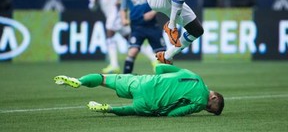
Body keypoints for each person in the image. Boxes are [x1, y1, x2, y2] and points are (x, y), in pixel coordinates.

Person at [54, 63, 224, 117]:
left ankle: (79, 81)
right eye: (209, 107)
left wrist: (161, 82)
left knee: (104, 79)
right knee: (136, 110)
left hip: (143, 82)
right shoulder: (200, 102)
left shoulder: (192, 74)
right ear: (213, 97)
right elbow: (174, 114)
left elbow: (159, 68)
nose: (205, 108)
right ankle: (109, 109)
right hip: (151, 103)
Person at [120, 0, 166, 73]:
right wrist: (123, 19)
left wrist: (153, 12)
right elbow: (123, 8)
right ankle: (125, 81)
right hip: (136, 26)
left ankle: (168, 81)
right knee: (132, 52)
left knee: (163, 56)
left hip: (152, 25)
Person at [89, 0, 130, 74]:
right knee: (131, 39)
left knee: (109, 34)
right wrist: (95, 2)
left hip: (116, 13)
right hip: (110, 16)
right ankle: (153, 59)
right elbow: (92, 8)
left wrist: (121, 1)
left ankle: (114, 64)